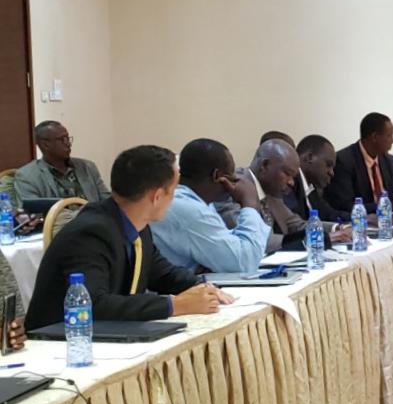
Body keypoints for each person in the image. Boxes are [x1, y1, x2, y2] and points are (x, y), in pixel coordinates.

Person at [24, 146, 231, 329]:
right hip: (59, 341)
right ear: (157, 196)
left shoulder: (137, 225)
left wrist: (201, 286)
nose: (174, 198)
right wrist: (174, 305)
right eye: (173, 191)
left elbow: (161, 274)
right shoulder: (90, 233)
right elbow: (93, 304)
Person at [151, 138, 271, 274]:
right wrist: (250, 204)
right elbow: (245, 263)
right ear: (217, 176)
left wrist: (215, 262)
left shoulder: (197, 203)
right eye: (231, 174)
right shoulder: (188, 209)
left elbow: (230, 249)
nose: (235, 181)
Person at [220, 139, 348, 252]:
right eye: (287, 174)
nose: (291, 182)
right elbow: (255, 240)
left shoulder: (270, 189)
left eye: (293, 176)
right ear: (264, 165)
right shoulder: (233, 188)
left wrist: (338, 228)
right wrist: (315, 239)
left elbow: (295, 224)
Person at [324, 113, 393, 224]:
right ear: (374, 137)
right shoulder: (344, 161)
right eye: (389, 136)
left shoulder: (389, 161)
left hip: (389, 222)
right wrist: (386, 206)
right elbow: (345, 205)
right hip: (361, 225)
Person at [14, 121, 110, 202]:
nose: (68, 143)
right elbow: (32, 213)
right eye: (61, 139)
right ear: (45, 145)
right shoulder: (27, 176)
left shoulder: (87, 167)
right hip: (58, 219)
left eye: (67, 138)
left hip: (94, 217)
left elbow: (107, 201)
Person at [293, 135, 347, 222]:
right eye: (328, 165)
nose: (332, 173)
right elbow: (296, 225)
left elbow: (330, 214)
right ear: (310, 158)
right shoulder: (291, 183)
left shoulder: (310, 187)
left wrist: (361, 218)